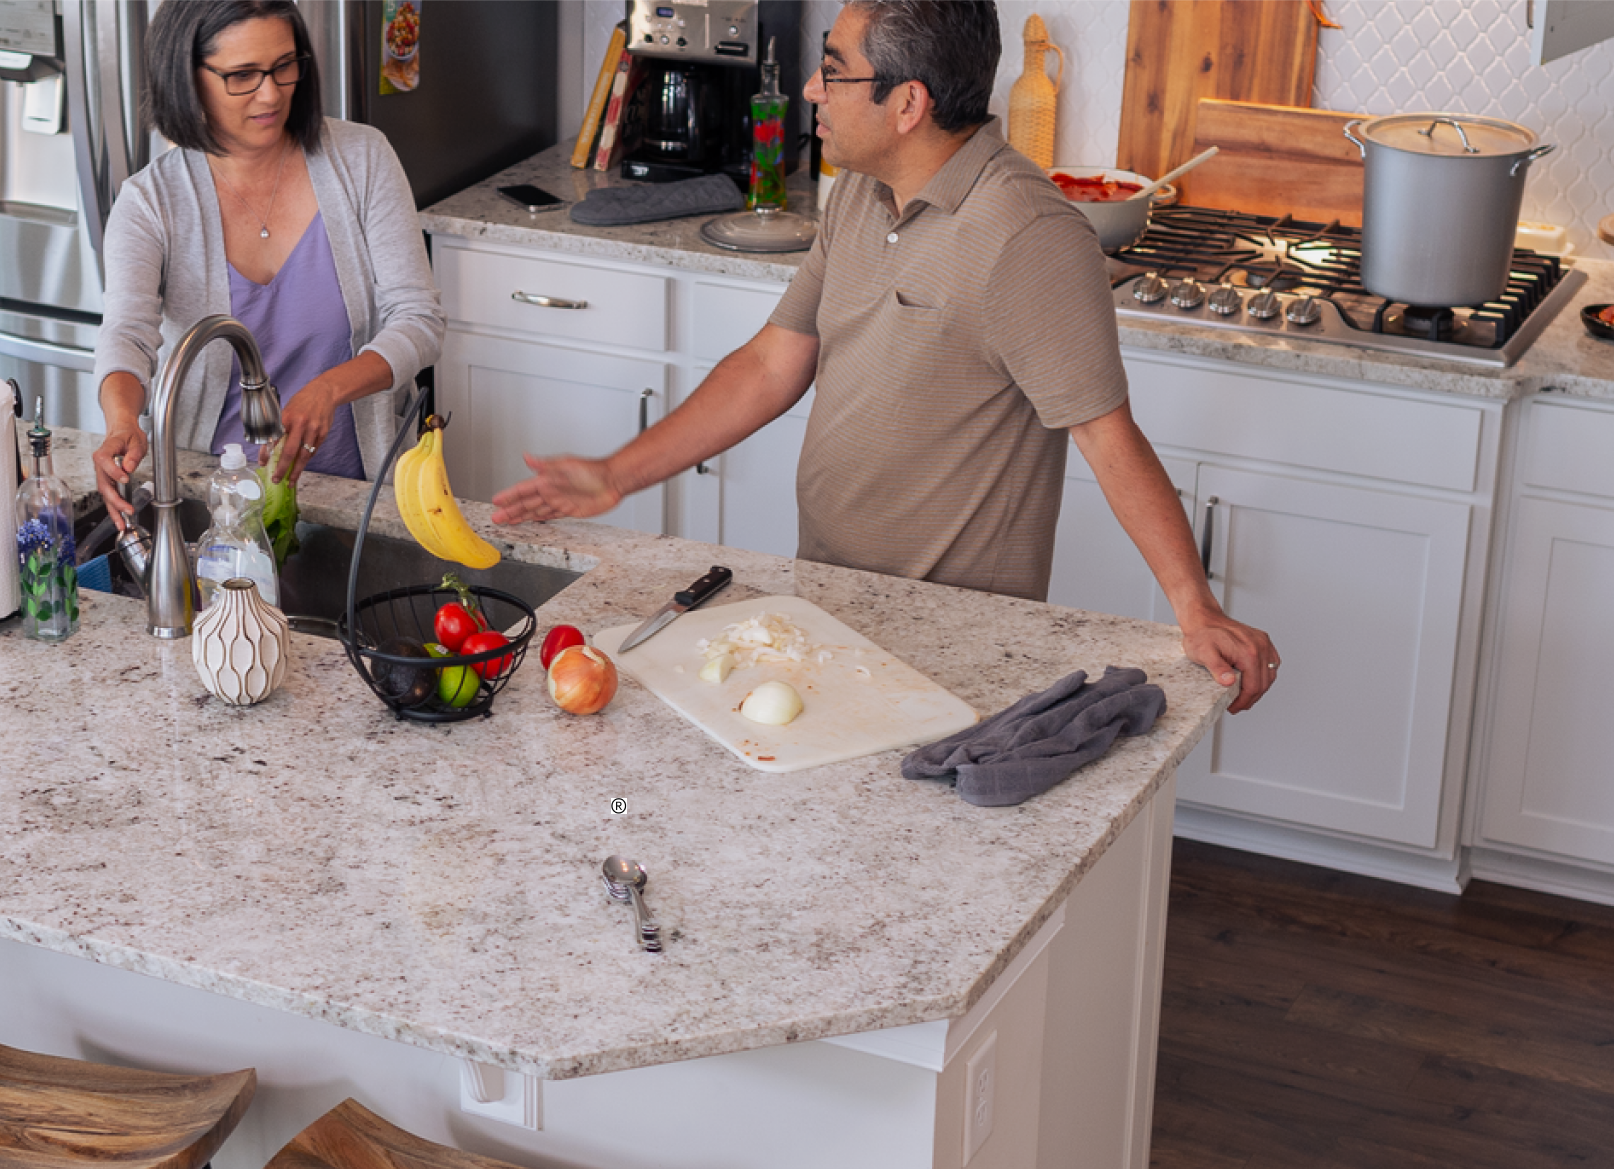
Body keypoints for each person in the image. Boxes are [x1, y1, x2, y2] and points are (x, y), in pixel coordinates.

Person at [491, 0, 1279, 712]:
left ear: (908, 103)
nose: (809, 89)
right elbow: (770, 363)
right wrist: (614, 474)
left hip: (953, 636)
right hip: (825, 599)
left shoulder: (1027, 238)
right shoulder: (863, 195)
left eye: (833, 72)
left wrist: (1194, 606)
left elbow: (1108, 437)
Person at [90, 0, 444, 516]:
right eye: (242, 75)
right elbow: (127, 334)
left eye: (284, 66)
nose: (271, 92)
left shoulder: (362, 159)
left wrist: (329, 388)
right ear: (186, 78)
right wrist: (124, 422)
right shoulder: (150, 201)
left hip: (366, 495)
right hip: (217, 500)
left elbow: (420, 319)